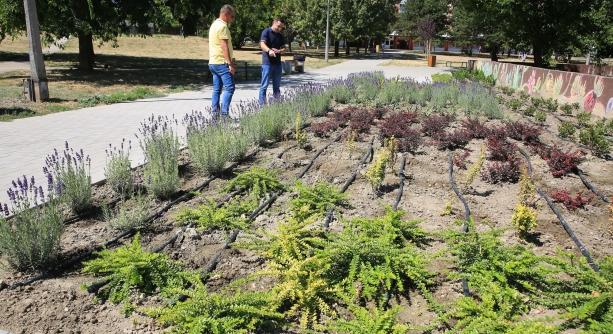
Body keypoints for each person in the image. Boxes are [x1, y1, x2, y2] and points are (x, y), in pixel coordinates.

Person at [208, 5, 236, 120]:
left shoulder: (214, 24)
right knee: (230, 88)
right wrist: (230, 64)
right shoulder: (223, 26)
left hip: (213, 62)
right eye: (232, 16)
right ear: (226, 14)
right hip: (221, 63)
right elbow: (224, 46)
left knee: (217, 89)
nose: (232, 19)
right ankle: (224, 116)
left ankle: (215, 114)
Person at [258, 18, 288, 105]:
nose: (279, 29)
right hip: (267, 64)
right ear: (274, 23)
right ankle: (262, 106)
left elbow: (284, 48)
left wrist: (280, 51)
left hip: (278, 64)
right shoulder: (266, 32)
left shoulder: (280, 35)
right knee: (264, 86)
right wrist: (269, 51)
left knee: (277, 87)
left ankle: (277, 105)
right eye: (278, 26)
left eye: (281, 27)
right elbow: (262, 44)